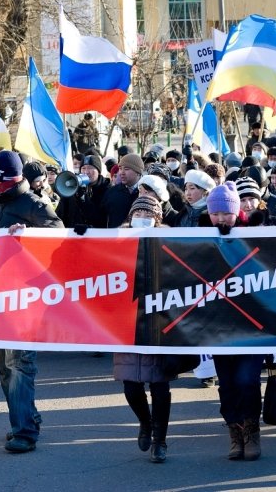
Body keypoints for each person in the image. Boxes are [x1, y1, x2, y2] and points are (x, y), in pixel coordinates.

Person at [0, 150, 63, 453]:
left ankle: (24, 431)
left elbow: (60, 238)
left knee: (19, 364)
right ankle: (26, 417)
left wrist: (31, 235)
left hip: (25, 297)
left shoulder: (34, 205)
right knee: (5, 368)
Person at [204, 182, 265, 461]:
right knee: (227, 383)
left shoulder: (256, 233)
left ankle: (252, 430)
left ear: (235, 212)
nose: (220, 219)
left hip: (253, 324)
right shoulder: (200, 235)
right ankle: (235, 431)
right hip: (219, 325)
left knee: (247, 379)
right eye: (215, 214)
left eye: (225, 214)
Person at [112, 195, 174, 463]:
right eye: (138, 214)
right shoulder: (114, 242)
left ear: (158, 219)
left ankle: (160, 440)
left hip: (159, 322)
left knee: (160, 386)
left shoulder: (171, 242)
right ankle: (145, 423)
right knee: (131, 387)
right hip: (126, 323)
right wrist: (82, 237)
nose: (143, 219)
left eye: (148, 215)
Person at [102, 153, 143, 227]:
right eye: (120, 168)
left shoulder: (149, 192)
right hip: (116, 237)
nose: (121, 173)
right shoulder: (112, 192)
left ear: (138, 172)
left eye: (126, 169)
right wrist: (88, 227)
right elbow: (100, 218)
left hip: (142, 237)